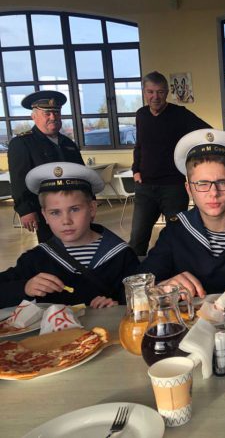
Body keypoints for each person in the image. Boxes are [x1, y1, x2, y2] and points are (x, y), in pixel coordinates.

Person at [136, 129, 225, 301]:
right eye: (202, 184)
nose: (213, 193)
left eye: (222, 182)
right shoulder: (175, 231)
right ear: (189, 189)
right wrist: (162, 287)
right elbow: (140, 284)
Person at [0, 163, 139, 308]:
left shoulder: (122, 256)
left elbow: (139, 300)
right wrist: (25, 287)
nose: (66, 221)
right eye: (55, 212)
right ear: (45, 216)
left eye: (74, 209)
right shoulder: (36, 259)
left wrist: (119, 307)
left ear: (92, 209)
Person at [129, 71, 211, 256]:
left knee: (177, 236)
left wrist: (193, 164)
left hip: (173, 187)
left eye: (160, 92)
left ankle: (177, 270)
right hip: (145, 187)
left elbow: (206, 133)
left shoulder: (180, 114)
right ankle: (134, 272)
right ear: (144, 92)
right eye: (150, 92)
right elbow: (139, 145)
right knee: (137, 238)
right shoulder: (141, 114)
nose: (155, 97)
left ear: (166, 92)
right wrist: (136, 170)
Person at [8, 90, 84, 243]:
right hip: (45, 210)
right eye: (47, 113)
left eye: (56, 113)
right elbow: (19, 180)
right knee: (52, 249)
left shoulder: (67, 143)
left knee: (78, 246)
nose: (53, 117)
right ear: (34, 116)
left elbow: (82, 174)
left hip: (74, 207)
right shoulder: (22, 143)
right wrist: (26, 210)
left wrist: (90, 201)